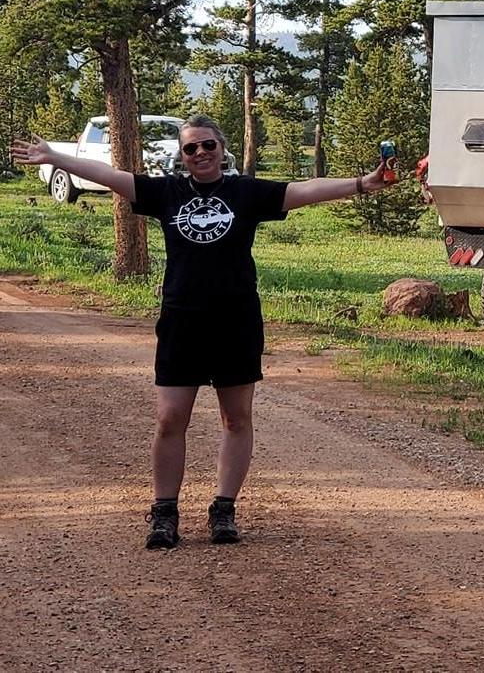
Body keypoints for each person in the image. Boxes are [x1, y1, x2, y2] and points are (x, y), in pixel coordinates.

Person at [10, 115, 397, 549]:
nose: (200, 154)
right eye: (191, 148)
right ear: (182, 156)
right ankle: (164, 513)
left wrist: (364, 183)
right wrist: (54, 156)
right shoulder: (167, 192)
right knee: (170, 418)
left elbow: (304, 191)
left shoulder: (245, 192)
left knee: (237, 418)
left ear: (222, 148)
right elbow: (109, 175)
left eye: (207, 145)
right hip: (182, 320)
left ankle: (224, 510)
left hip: (236, 320)